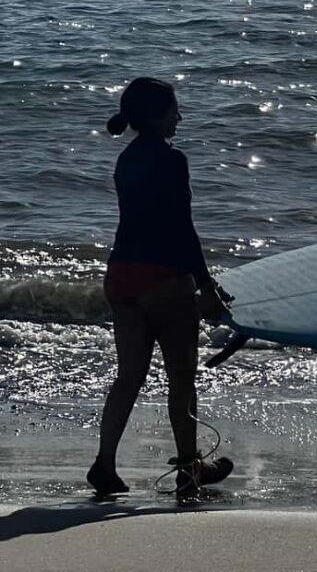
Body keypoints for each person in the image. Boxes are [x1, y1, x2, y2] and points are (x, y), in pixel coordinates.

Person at [87, 77, 234, 496]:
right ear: (156, 115)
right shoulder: (173, 160)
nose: (180, 117)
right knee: (181, 379)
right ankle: (190, 471)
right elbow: (182, 229)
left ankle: (104, 464)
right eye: (173, 110)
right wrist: (205, 287)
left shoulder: (126, 160)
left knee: (129, 376)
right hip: (163, 279)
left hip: (121, 274)